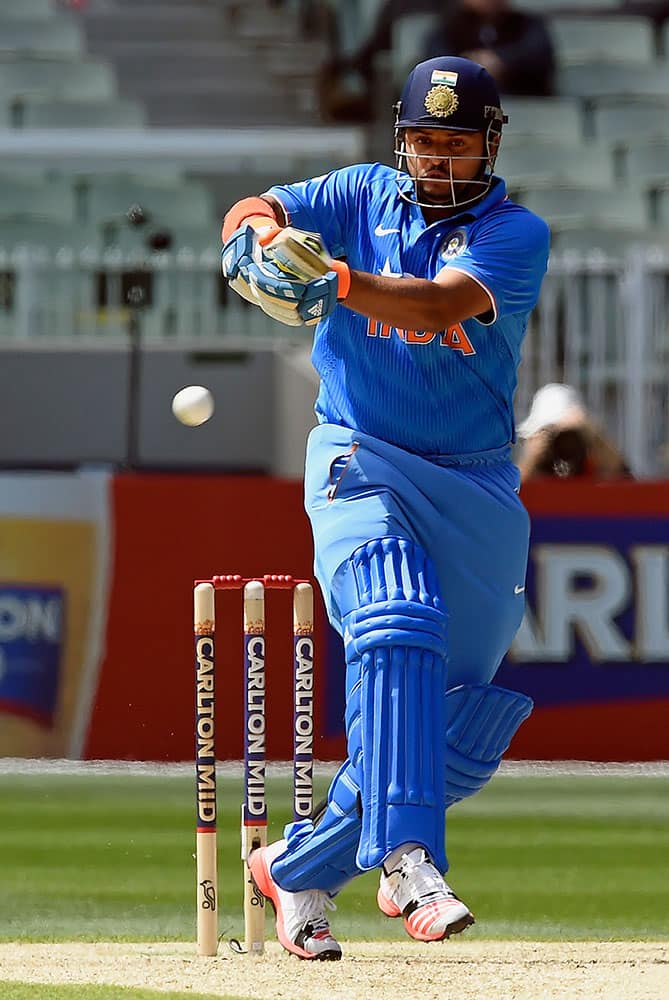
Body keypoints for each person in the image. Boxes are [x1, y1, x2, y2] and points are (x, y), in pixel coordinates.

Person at [221, 55, 550, 961]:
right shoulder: (361, 191)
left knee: (461, 730)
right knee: (394, 620)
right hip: (359, 454)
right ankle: (408, 860)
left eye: (455, 144)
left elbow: (440, 301)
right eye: (421, 142)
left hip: (475, 481)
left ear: (489, 144)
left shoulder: (516, 233)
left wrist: (330, 280)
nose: (436, 161)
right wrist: (249, 238)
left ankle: (295, 867)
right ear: (398, 142)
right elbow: (259, 207)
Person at [424, 0, 555, 97]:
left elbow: (539, 58)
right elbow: (436, 63)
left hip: (521, 101)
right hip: (462, 103)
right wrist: (471, 67)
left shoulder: (528, 24)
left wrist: (501, 62)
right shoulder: (447, 26)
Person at [516, 383, 633, 482]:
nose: (563, 442)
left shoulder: (595, 465)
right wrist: (530, 461)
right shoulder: (533, 471)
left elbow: (628, 484)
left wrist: (595, 438)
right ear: (535, 434)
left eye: (570, 434)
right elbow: (509, 496)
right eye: (549, 431)